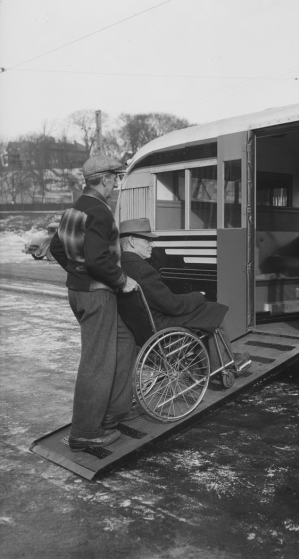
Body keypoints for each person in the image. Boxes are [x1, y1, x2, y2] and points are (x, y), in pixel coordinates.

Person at [50, 155, 138, 452]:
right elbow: (98, 259)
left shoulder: (73, 209)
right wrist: (122, 280)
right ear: (103, 179)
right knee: (97, 361)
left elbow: (56, 248)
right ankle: (85, 432)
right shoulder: (100, 211)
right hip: (98, 294)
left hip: (80, 291)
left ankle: (112, 412)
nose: (115, 183)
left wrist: (78, 272)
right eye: (114, 177)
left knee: (125, 340)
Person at [117, 218, 250, 374]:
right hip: (159, 328)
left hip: (140, 329)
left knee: (206, 312)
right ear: (132, 241)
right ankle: (225, 364)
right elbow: (174, 306)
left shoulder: (118, 268)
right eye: (147, 240)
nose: (151, 245)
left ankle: (217, 359)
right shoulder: (142, 270)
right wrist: (197, 296)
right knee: (213, 310)